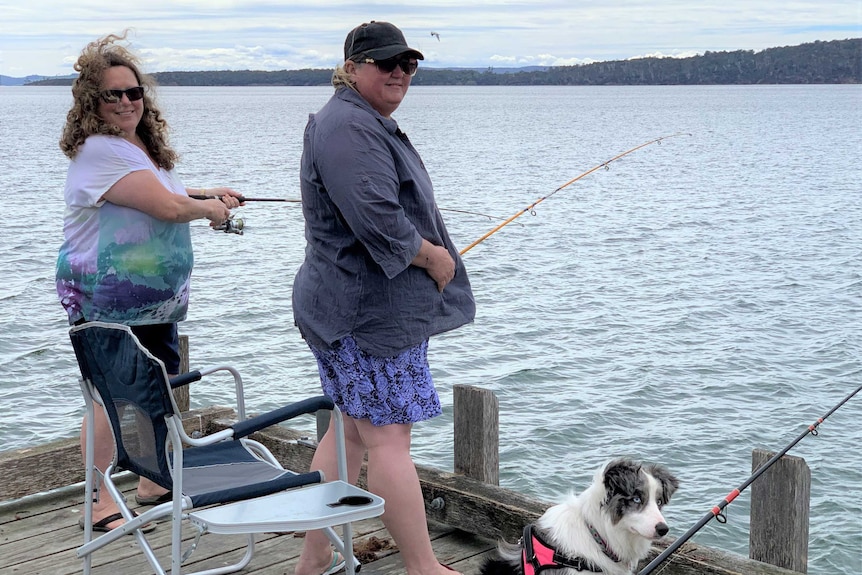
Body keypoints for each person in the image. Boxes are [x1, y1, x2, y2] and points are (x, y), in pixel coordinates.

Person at [291, 21, 475, 575]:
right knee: (389, 439)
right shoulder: (349, 126)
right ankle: (423, 567)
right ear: (352, 68)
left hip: (348, 308)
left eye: (409, 64)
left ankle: (314, 556)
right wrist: (434, 257)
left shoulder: (357, 120)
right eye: (385, 62)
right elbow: (379, 220)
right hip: (364, 316)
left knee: (347, 430)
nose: (399, 71)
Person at [56, 32, 243, 534]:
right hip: (106, 301)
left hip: (155, 304)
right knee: (108, 398)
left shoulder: (137, 147)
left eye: (133, 92)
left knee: (153, 389)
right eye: (111, 94)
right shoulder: (100, 149)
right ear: (91, 103)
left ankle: (152, 482)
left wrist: (207, 191)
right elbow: (165, 207)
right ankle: (98, 503)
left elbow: (163, 191)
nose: (124, 102)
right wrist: (210, 211)